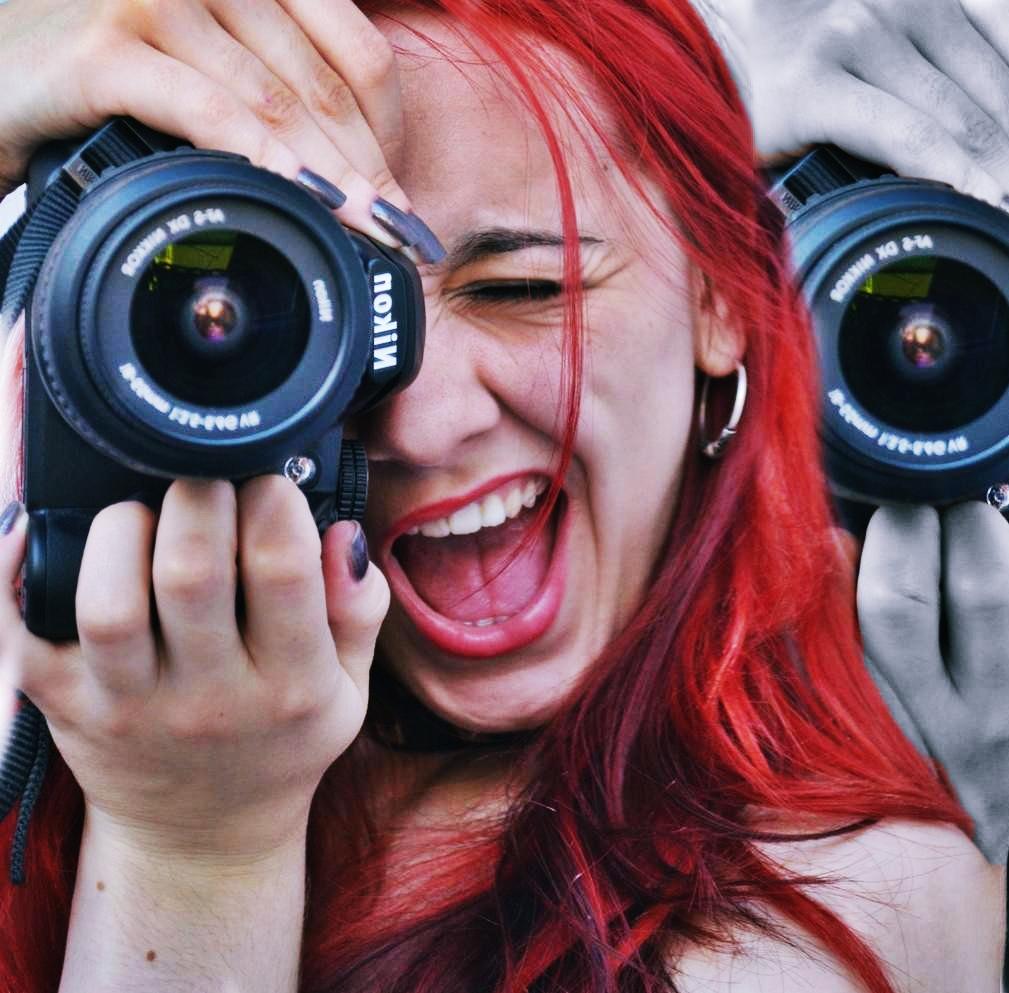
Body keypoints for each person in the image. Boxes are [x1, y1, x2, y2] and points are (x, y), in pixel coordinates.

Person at [0, 1, 1005, 991]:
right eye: (302, 310)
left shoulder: (842, 900)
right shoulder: (56, 693)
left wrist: (194, 856)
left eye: (523, 290)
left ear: (722, 292)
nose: (421, 426)